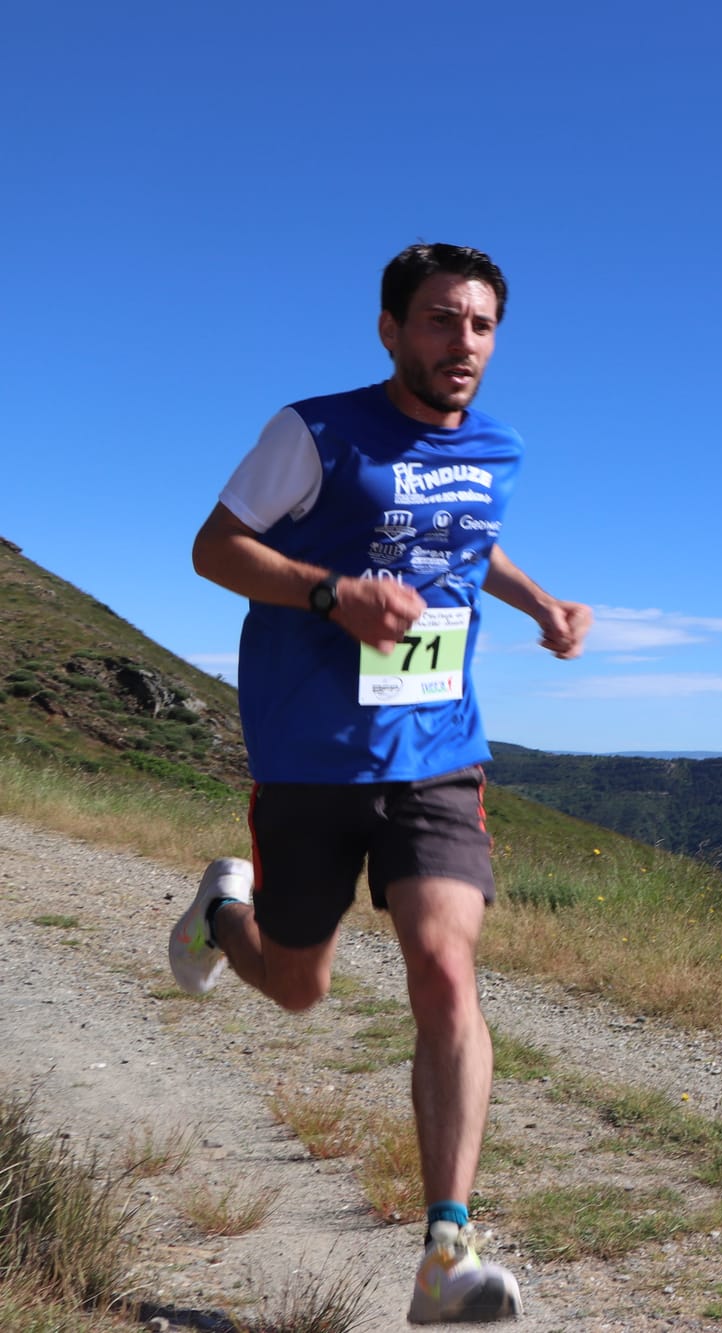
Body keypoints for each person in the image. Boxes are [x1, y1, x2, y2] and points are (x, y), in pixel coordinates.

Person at [170, 242, 590, 1324]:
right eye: (441, 320)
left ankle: (446, 1249)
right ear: (391, 328)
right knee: (298, 987)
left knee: (445, 969)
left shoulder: (498, 447)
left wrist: (541, 604)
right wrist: (329, 595)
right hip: (310, 755)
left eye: (482, 325)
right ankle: (224, 912)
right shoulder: (315, 432)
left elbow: (472, 542)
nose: (464, 343)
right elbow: (215, 549)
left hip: (438, 751)